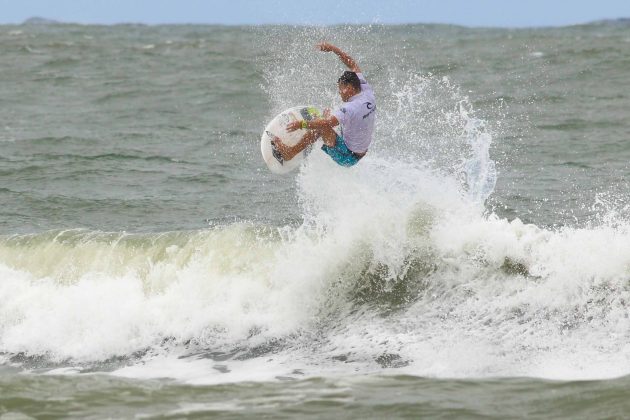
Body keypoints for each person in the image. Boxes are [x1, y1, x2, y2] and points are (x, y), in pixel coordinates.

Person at [272, 42, 376, 167]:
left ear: (349, 88)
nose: (339, 92)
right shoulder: (365, 89)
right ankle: (313, 136)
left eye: (341, 89)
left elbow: (326, 124)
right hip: (360, 150)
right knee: (325, 120)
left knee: (321, 125)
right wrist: (333, 49)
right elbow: (352, 64)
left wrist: (301, 124)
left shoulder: (350, 108)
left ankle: (290, 153)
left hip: (348, 156)